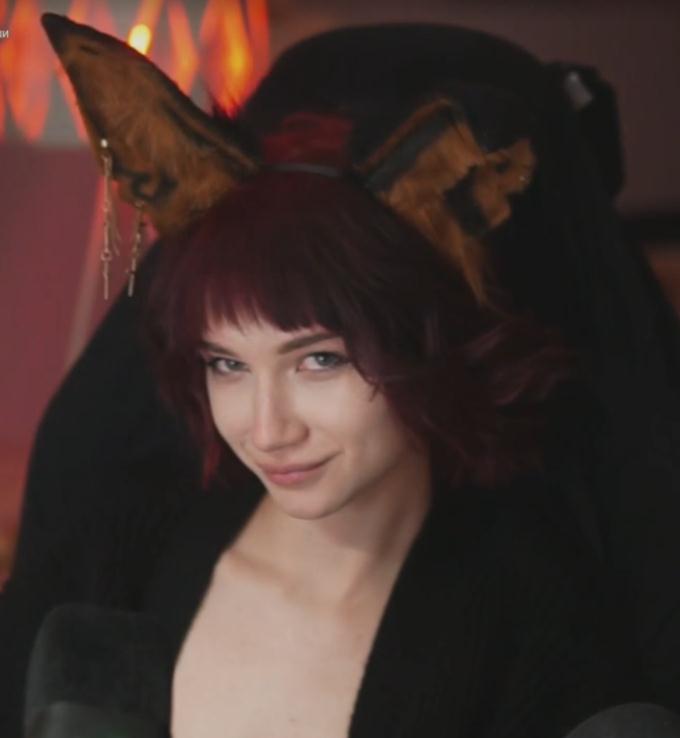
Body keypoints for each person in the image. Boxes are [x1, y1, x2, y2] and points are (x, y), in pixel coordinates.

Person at [2, 14, 678, 736]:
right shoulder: (123, 554)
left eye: (319, 360)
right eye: (227, 364)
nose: (267, 430)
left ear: (430, 347)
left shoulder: (537, 620)